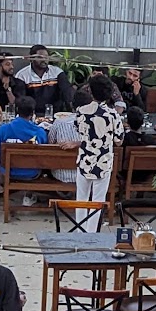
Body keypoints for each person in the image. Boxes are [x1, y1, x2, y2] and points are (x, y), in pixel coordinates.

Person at [74, 73, 124, 224]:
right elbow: (119, 141)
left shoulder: (81, 111)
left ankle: (79, 230)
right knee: (98, 200)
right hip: (103, 162)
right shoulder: (113, 115)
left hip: (84, 160)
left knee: (81, 198)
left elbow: (78, 130)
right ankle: (92, 231)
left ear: (90, 90)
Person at [0, 96, 48, 190]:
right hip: (32, 173)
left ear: (16, 111)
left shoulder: (3, 129)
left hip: (8, 172)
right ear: (33, 113)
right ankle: (28, 194)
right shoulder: (40, 132)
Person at [15, 43, 72, 116]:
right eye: (40, 57)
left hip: (55, 114)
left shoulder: (57, 72)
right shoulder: (22, 75)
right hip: (32, 115)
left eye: (46, 57)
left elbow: (67, 93)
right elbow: (21, 100)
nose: (44, 60)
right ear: (31, 59)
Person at [46, 106, 80, 184]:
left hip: (60, 174)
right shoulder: (96, 123)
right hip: (85, 174)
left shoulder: (59, 122)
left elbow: (49, 143)